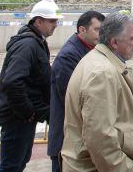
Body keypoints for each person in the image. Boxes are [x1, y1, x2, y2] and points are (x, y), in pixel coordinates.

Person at [61, 12, 133, 172]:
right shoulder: (103, 73)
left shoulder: (97, 60)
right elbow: (101, 141)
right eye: (132, 38)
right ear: (114, 42)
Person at [0, 0, 62, 172]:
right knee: (11, 165)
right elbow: (13, 81)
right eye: (52, 21)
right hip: (17, 117)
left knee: (19, 161)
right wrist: (27, 111)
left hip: (22, 116)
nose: (56, 24)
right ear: (38, 21)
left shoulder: (35, 41)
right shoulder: (28, 44)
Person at [48, 10, 105, 172]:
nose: (101, 35)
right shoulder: (69, 56)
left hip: (78, 138)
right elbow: (72, 100)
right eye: (97, 29)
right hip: (66, 140)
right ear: (82, 30)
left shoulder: (90, 49)